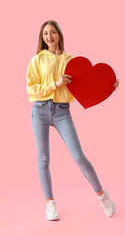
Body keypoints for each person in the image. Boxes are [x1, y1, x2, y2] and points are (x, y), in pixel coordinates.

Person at [26, 20, 119, 221]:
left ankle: (102, 195)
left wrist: (109, 85)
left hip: (62, 112)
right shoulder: (36, 60)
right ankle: (50, 203)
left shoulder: (71, 61)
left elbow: (86, 87)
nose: (48, 37)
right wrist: (55, 83)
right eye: (45, 34)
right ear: (42, 38)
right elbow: (31, 89)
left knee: (78, 156)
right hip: (39, 111)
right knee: (43, 160)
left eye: (52, 32)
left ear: (59, 34)